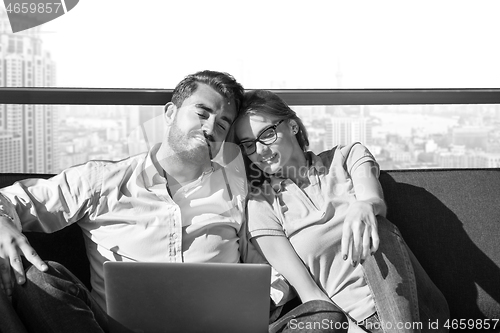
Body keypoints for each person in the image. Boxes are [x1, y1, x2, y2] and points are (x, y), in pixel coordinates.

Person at [0, 70, 250, 333]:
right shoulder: (102, 180)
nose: (210, 128)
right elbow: (8, 199)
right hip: (112, 329)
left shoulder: (238, 190)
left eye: (222, 124)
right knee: (41, 279)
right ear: (170, 113)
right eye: (202, 113)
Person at [231, 89, 450, 333]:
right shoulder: (261, 205)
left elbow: (372, 198)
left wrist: (365, 205)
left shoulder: (345, 157)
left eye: (267, 134)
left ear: (292, 126)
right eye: (248, 145)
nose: (259, 151)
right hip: (351, 324)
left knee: (378, 226)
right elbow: (310, 295)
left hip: (418, 312)